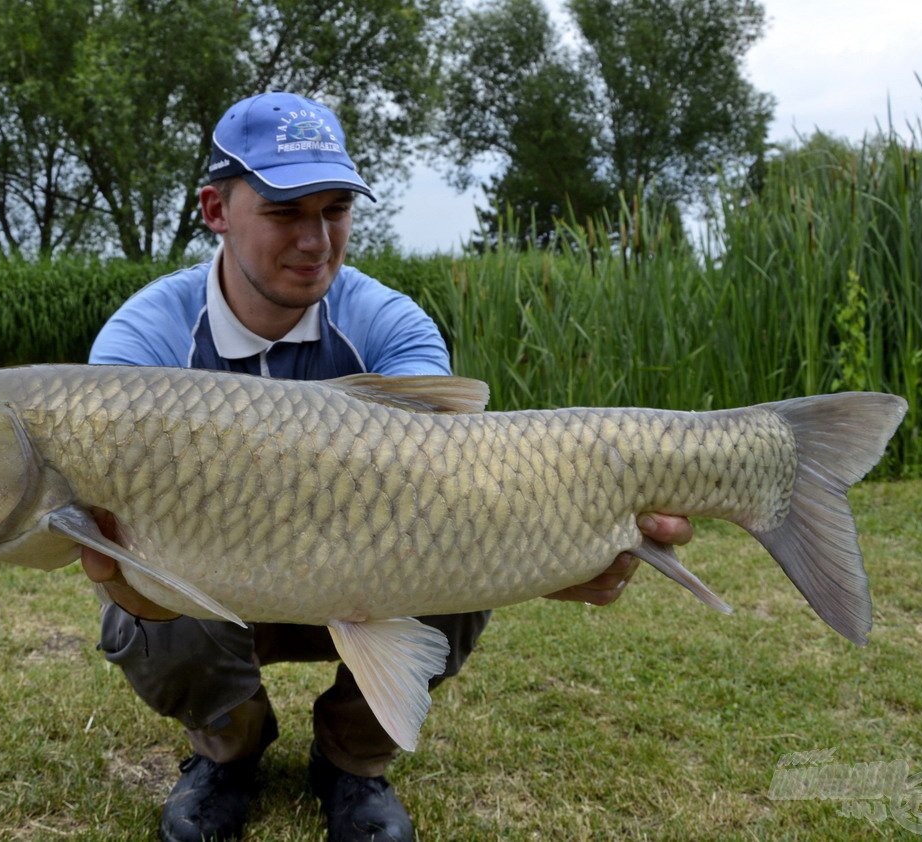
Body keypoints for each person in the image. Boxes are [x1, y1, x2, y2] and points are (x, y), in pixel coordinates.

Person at [81, 91, 693, 842]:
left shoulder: (389, 322)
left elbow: (453, 480)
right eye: (284, 212)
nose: (316, 239)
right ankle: (227, 754)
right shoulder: (144, 341)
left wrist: (561, 552)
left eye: (334, 210)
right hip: (217, 589)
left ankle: (352, 763)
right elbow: (107, 534)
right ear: (215, 209)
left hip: (366, 573)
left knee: (454, 556)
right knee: (141, 600)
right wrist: (126, 576)